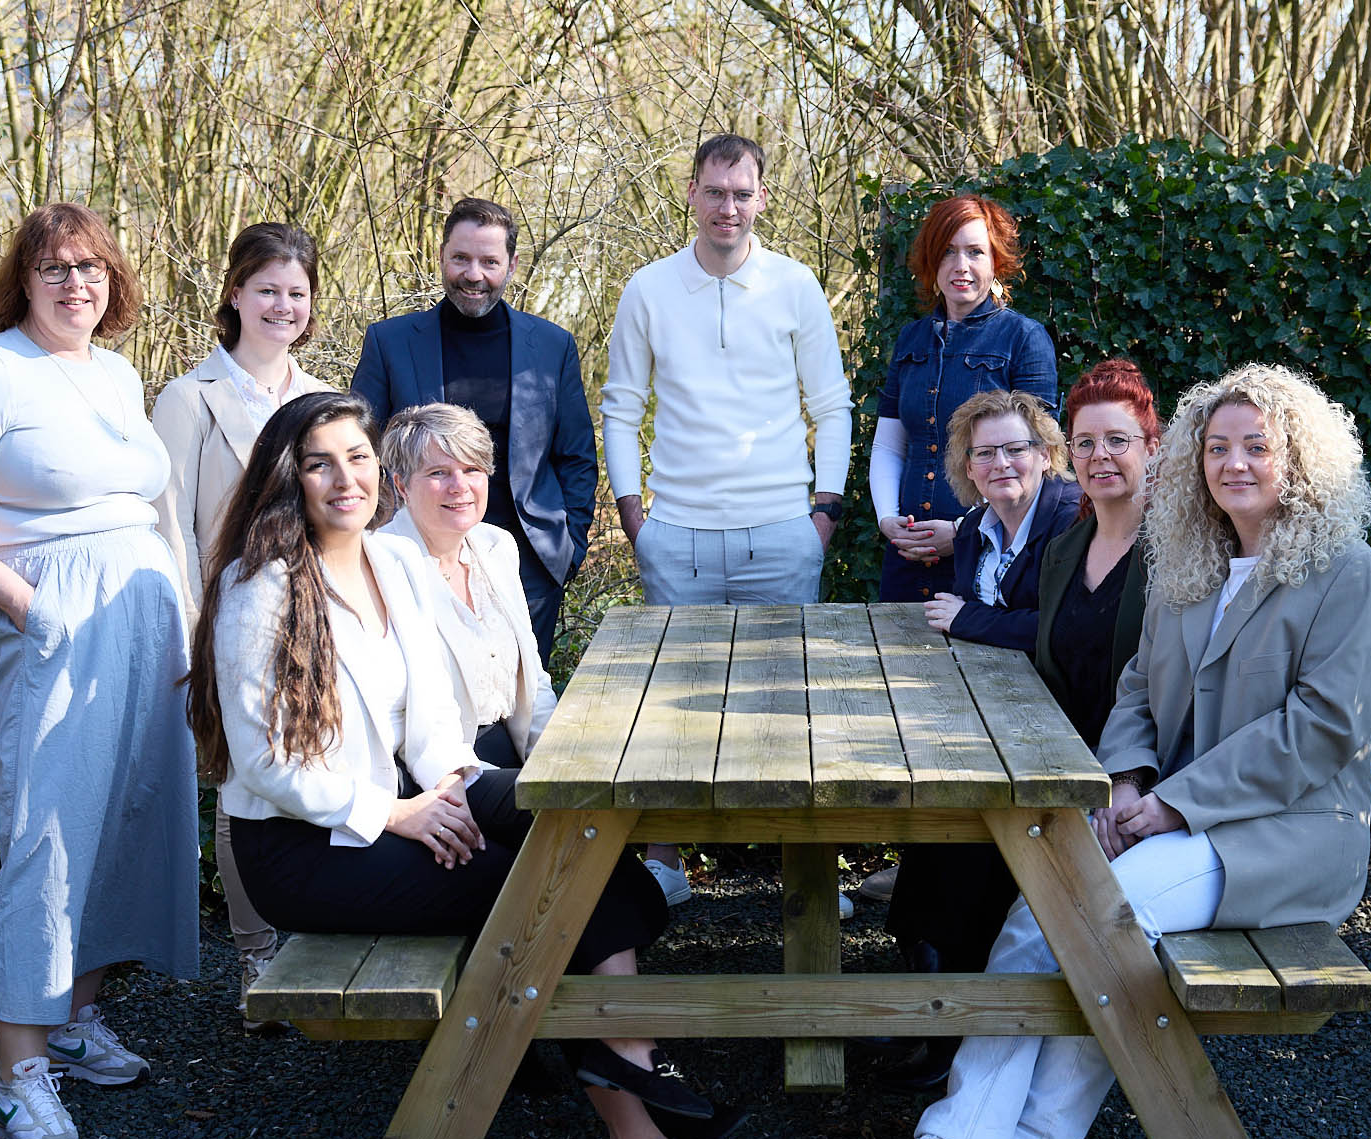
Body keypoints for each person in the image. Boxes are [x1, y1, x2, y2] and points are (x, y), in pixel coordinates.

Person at [865, 363, 1371, 1139]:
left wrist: (1173, 804)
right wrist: (1124, 780)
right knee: (1063, 917)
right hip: (1166, 819)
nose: (1232, 463)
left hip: (1282, 837)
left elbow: (1321, 730)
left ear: (1301, 459)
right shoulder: (1190, 562)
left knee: (1084, 916)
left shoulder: (1347, 573)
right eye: (1215, 447)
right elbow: (1138, 689)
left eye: (1256, 446)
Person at [187, 391, 742, 1139]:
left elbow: (431, 726)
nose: (344, 478)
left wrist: (455, 789)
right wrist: (398, 814)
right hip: (307, 846)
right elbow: (266, 765)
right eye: (318, 463)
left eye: (355, 457)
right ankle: (632, 1115)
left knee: (595, 853)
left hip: (410, 801)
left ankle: (622, 1051)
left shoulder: (392, 564)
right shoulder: (260, 588)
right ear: (288, 477)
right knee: (548, 891)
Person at [0, 203, 199, 1139]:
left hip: (141, 619)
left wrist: (184, 612)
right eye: (55, 268)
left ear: (115, 280)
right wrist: (26, 604)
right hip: (52, 622)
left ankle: (71, 1017)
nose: (76, 284)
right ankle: (16, 1076)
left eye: (92, 267)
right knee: (49, 834)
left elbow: (151, 504)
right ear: (22, 280)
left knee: (126, 819)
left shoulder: (114, 372)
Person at [599, 132, 855, 907]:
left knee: (788, 709)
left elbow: (832, 407)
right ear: (691, 192)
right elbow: (620, 408)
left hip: (781, 531)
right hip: (675, 534)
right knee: (668, 709)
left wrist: (822, 513)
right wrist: (635, 517)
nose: (728, 207)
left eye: (742, 194)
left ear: (762, 198)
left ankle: (805, 875)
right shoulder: (648, 289)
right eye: (714, 192)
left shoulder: (794, 285)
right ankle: (665, 865)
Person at [151, 221, 334, 1031]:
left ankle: (317, 942)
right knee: (241, 787)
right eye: (267, 290)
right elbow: (168, 526)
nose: (282, 306)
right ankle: (256, 959)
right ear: (235, 294)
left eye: (297, 293)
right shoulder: (189, 398)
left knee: (315, 769)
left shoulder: (320, 398)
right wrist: (192, 633)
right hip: (225, 619)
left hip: (314, 619)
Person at [878, 389, 1081, 1091]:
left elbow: (1065, 630)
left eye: (1015, 449)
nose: (1001, 464)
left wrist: (969, 619)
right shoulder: (975, 528)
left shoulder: (1070, 522)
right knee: (930, 818)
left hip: (1061, 726)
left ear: (1046, 454)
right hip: (990, 718)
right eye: (983, 453)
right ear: (966, 466)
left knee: (969, 839)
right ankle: (931, 999)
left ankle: (958, 1029)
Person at [859, 195, 1056, 909]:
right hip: (904, 551)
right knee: (904, 707)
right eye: (947, 251)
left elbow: (1037, 458)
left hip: (981, 554)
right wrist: (888, 520)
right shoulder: (912, 338)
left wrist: (963, 530)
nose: (961, 266)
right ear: (929, 262)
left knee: (975, 710)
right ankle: (915, 865)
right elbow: (890, 441)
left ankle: (975, 871)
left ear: (997, 260)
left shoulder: (1023, 340)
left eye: (975, 251)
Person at [349, 198, 596, 667]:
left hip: (530, 565)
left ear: (512, 265)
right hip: (416, 558)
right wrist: (373, 537)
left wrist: (570, 548)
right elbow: (360, 449)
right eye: (461, 258)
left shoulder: (551, 346)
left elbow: (576, 457)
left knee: (523, 694)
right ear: (441, 256)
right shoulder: (390, 342)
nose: (473, 274)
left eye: (489, 262)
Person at [376, 403, 557, 769]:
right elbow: (396, 717)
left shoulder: (497, 546)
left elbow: (534, 681)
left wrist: (556, 760)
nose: (459, 486)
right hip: (438, 768)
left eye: (472, 469)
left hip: (515, 748)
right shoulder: (382, 564)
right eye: (439, 473)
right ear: (401, 485)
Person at [1032, 359, 1162, 749]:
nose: (1099, 454)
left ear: (1151, 449)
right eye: (1085, 442)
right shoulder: (1060, 553)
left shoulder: (1175, 556)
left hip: (1141, 769)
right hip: (1058, 759)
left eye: (1117, 440)